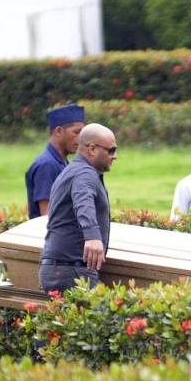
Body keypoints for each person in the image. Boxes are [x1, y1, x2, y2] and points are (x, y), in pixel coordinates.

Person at [39, 123, 117, 293]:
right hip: (73, 271)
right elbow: (83, 203)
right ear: (92, 149)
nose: (115, 156)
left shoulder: (73, 170)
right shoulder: (84, 174)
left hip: (61, 268)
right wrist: (92, 237)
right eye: (111, 150)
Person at [25, 104, 84, 219]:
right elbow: (47, 216)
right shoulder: (47, 165)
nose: (81, 138)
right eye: (77, 132)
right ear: (58, 132)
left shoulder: (62, 163)